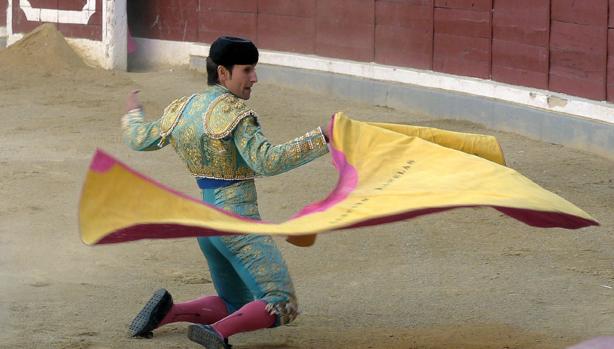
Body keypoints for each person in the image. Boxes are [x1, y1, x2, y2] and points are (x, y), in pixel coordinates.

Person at [121, 36, 330, 348]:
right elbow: (268, 161)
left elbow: (138, 138)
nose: (254, 78)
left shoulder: (182, 109)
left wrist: (133, 113)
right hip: (237, 223)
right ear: (223, 73)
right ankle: (218, 333)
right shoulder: (236, 115)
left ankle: (170, 312)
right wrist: (322, 137)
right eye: (247, 70)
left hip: (206, 223)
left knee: (234, 301)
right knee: (282, 302)